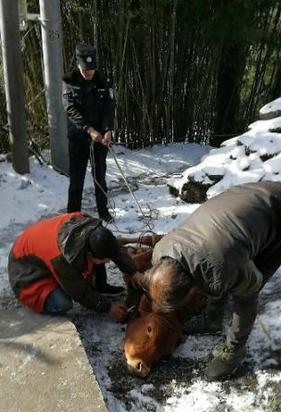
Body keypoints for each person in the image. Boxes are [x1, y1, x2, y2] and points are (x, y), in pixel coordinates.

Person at [147, 181, 281, 380]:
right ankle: (213, 320)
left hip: (275, 213)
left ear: (190, 289)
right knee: (220, 276)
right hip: (242, 202)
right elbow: (210, 272)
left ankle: (235, 352)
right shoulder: (161, 251)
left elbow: (247, 294)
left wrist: (234, 345)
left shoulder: (220, 267)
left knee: (248, 285)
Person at [8, 212, 143, 321]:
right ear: (88, 253)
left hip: (40, 256)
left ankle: (98, 285)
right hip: (25, 274)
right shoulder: (61, 258)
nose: (108, 262)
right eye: (104, 259)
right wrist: (108, 307)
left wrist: (133, 271)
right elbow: (79, 292)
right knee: (63, 303)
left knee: (97, 261)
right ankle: (53, 290)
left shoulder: (90, 227)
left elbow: (114, 247)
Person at [63, 42, 114, 222]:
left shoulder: (102, 80)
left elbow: (109, 106)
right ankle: (72, 216)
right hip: (79, 138)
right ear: (78, 64)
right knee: (77, 179)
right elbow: (70, 110)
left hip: (100, 139)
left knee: (100, 175)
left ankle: (103, 210)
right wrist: (89, 130)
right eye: (86, 71)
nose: (89, 74)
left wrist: (108, 129)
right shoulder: (69, 81)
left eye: (92, 70)